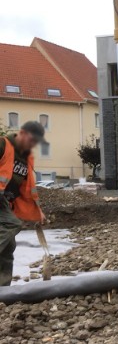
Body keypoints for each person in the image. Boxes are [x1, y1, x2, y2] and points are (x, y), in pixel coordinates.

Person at [0, 121, 47, 286]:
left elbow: (28, 189)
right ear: (21, 133)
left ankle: (3, 288)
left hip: (6, 201)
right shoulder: (3, 144)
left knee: (8, 246)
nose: (32, 145)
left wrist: (37, 211)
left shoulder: (26, 158)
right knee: (12, 224)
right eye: (31, 140)